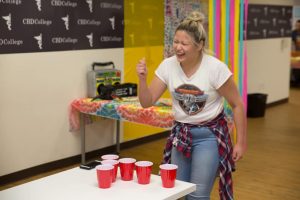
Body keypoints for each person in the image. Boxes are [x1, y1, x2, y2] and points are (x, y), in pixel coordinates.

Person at [136, 11, 247, 200]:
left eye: (184, 43)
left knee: (197, 195)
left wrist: (241, 143)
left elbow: (237, 104)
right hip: (181, 135)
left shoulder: (215, 68)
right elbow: (146, 102)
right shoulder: (167, 66)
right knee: (178, 190)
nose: (178, 47)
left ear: (200, 45)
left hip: (209, 136)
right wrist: (142, 79)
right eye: (176, 42)